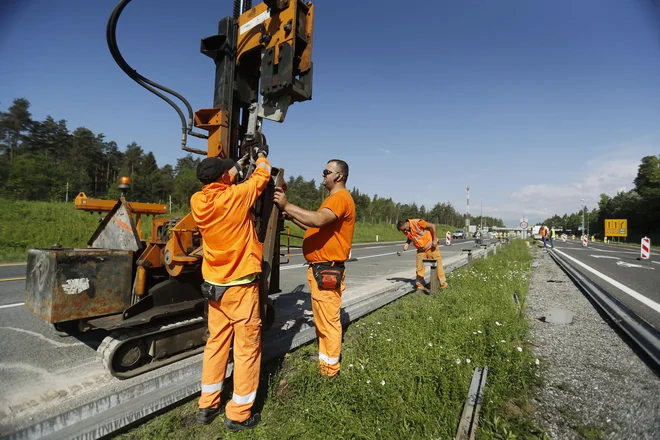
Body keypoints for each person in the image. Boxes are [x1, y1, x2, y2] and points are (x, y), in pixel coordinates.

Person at [190, 145, 271, 431]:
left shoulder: (198, 201)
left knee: (216, 344)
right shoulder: (237, 197)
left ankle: (207, 404)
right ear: (225, 178)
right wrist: (260, 156)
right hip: (239, 288)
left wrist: (240, 161)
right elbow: (262, 176)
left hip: (214, 286)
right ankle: (239, 414)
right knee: (246, 349)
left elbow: (226, 177)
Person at [273, 159, 355, 378]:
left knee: (328, 322)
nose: (323, 176)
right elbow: (314, 227)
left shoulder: (339, 198)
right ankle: (325, 363)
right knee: (323, 321)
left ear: (339, 176)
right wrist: (291, 215)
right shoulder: (333, 199)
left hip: (326, 270)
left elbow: (318, 220)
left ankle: (330, 372)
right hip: (322, 270)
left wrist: (287, 205)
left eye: (326, 172)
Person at [396, 219, 448, 290]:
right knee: (419, 268)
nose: (404, 232)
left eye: (404, 229)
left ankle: (443, 285)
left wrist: (434, 239)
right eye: (402, 231)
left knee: (438, 266)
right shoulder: (406, 229)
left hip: (431, 247)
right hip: (421, 250)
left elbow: (433, 226)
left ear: (406, 224)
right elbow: (411, 237)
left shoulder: (418, 223)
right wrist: (407, 243)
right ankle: (420, 286)